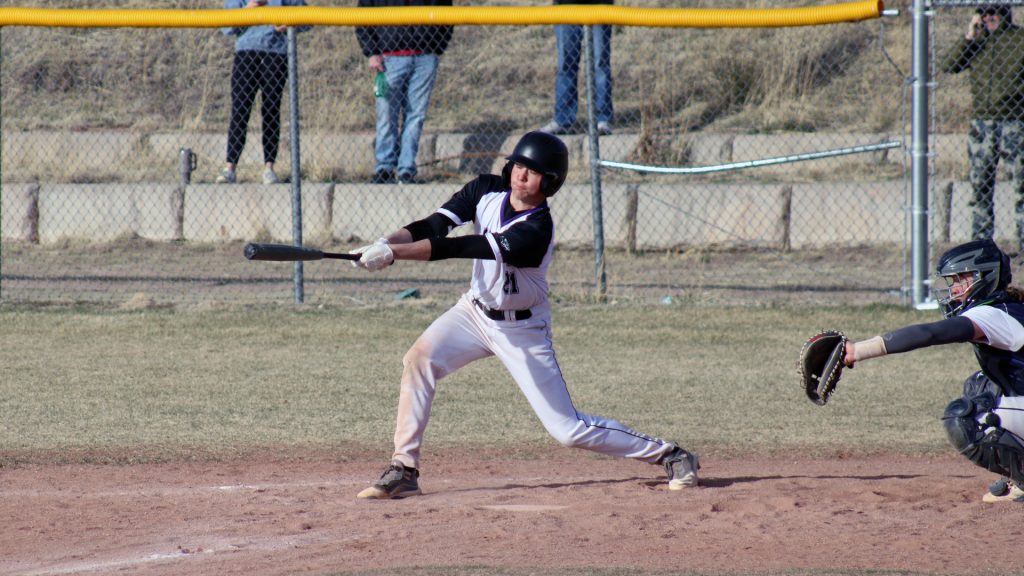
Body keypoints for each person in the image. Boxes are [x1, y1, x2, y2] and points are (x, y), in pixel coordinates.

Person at [349, 131, 699, 498]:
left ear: (550, 183)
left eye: (533, 171)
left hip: (522, 329)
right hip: (473, 312)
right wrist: (384, 244)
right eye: (519, 164)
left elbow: (461, 246)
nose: (522, 174)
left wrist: (394, 256)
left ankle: (670, 454)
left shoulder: (537, 228)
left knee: (568, 430)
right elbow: (434, 226)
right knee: (419, 359)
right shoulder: (484, 188)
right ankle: (404, 468)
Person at [842, 239, 1024, 503]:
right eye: (953, 282)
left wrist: (858, 350)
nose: (955, 290)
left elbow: (930, 333)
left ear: (986, 278)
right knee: (982, 385)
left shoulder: (992, 316)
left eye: (962, 280)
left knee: (966, 418)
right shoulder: (1011, 307)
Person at [941, 5, 1024, 253]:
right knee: (980, 188)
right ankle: (981, 246)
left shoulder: (1019, 39)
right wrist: (969, 37)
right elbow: (950, 65)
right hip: (982, 125)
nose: (988, 19)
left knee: (1021, 186)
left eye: (993, 13)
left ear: (1004, 14)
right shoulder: (977, 42)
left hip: (1015, 123)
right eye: (984, 14)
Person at [355, 0, 453, 185]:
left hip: (425, 57)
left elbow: (447, 15)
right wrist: (372, 52)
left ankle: (406, 169)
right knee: (386, 115)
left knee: (416, 115)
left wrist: (436, 48)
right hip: (389, 58)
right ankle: (384, 167)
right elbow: (362, 18)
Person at [218, 0, 309, 185]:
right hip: (246, 54)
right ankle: (230, 167)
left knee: (271, 110)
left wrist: (291, 23)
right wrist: (247, 10)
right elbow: (226, 27)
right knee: (240, 110)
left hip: (275, 55)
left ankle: (269, 167)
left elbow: (308, 19)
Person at [539, 0, 614, 136]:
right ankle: (563, 119)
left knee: (600, 64)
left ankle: (602, 119)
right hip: (566, 6)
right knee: (566, 64)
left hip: (600, 6)